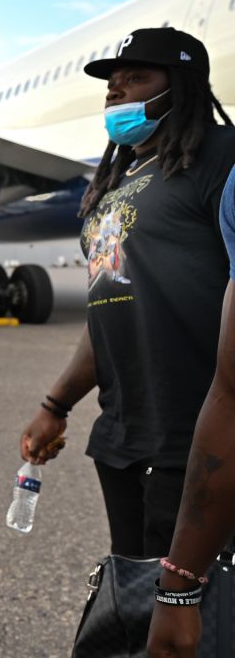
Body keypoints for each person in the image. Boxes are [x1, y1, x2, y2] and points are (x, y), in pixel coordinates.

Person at [19, 27, 235, 559]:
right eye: (112, 83)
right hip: (123, 439)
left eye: (136, 77)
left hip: (203, 442)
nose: (117, 91)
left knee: (198, 615)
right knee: (135, 601)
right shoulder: (111, 185)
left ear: (181, 85)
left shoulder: (223, 157)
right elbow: (108, 305)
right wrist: (57, 403)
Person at [145, 171, 235, 657]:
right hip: (136, 431)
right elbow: (116, 287)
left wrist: (178, 590)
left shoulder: (213, 165)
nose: (115, 92)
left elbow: (233, 392)